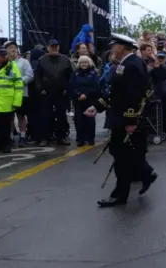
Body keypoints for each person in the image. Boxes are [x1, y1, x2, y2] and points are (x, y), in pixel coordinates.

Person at [84, 33, 157, 208]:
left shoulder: (132, 65)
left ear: (122, 47)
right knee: (121, 154)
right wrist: (98, 106)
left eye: (114, 45)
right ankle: (145, 174)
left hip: (125, 119)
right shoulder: (124, 64)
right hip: (119, 116)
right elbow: (115, 92)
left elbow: (135, 96)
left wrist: (130, 121)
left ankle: (122, 192)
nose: (112, 48)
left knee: (122, 155)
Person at [33, 39, 73, 146]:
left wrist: (67, 89)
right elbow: (37, 76)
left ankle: (61, 137)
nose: (54, 48)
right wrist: (40, 89)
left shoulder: (65, 59)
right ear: (48, 48)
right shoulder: (42, 60)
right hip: (46, 92)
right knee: (45, 116)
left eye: (56, 46)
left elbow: (71, 77)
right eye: (52, 46)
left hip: (61, 92)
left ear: (59, 47)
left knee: (61, 116)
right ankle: (45, 138)